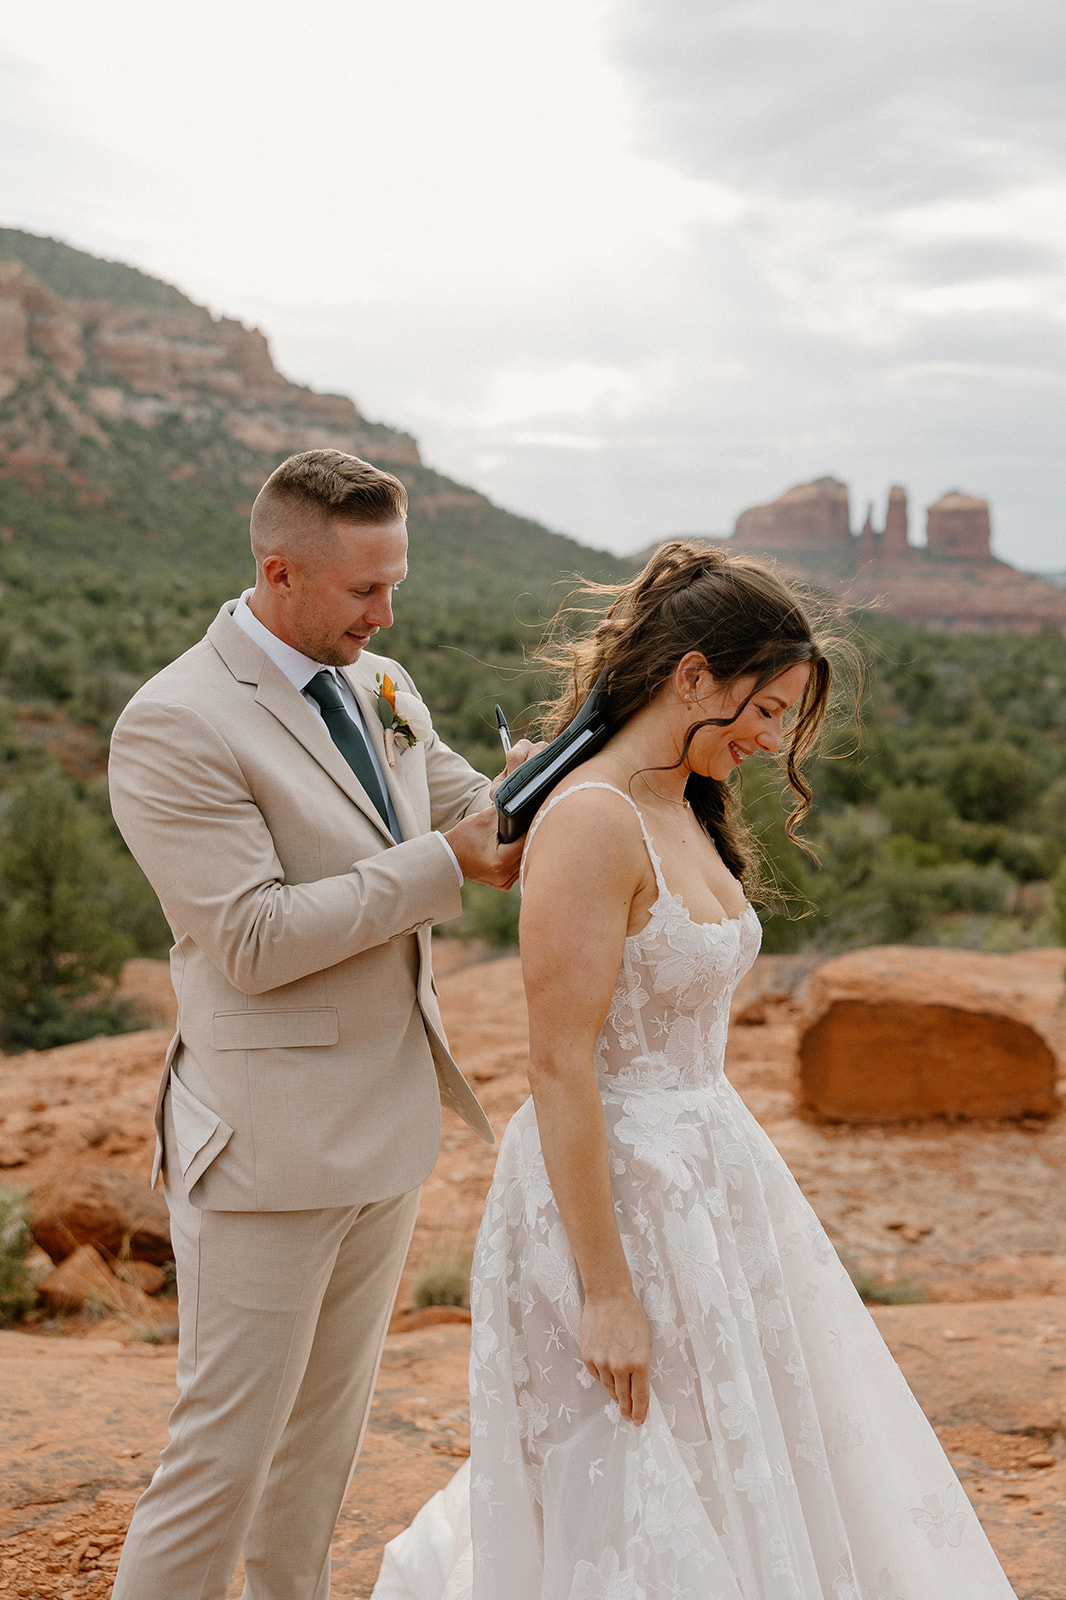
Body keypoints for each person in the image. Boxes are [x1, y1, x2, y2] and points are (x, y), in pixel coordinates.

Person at [373, 542, 1016, 1599]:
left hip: (713, 1186)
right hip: (610, 1200)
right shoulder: (592, 818)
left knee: (732, 1464)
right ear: (690, 680)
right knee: (632, 1478)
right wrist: (604, 1293)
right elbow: (554, 1065)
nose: (770, 740)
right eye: (763, 710)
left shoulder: (678, 801)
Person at [107, 449, 535, 1600]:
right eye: (361, 590)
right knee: (221, 1464)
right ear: (278, 570)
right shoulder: (175, 722)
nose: (384, 613)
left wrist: (562, 787)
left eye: (393, 584)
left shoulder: (379, 680)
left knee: (317, 1460)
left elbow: (462, 805)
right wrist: (446, 863)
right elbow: (248, 937)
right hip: (263, 1146)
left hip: (384, 1125)